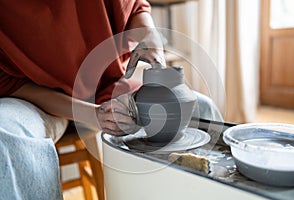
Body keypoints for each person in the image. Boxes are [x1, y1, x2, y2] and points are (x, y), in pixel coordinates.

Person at [0, 0, 222, 199]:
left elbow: (135, 8)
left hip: (104, 85)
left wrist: (149, 35)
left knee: (200, 110)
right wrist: (92, 114)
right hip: (33, 97)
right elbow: (8, 83)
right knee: (4, 135)